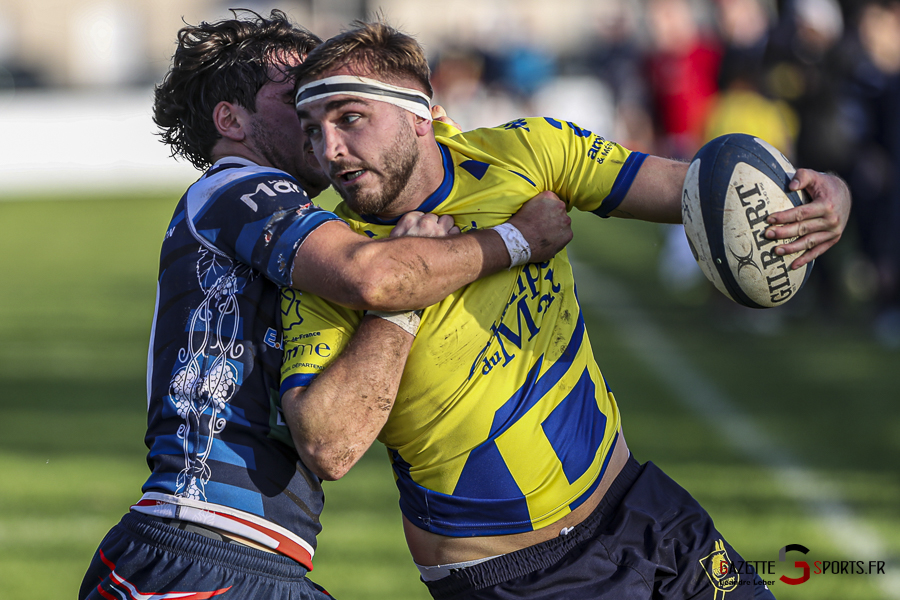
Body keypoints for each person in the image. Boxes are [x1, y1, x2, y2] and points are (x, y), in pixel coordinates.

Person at [279, 21, 852, 600]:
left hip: (642, 509)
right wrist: (403, 297)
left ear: (420, 114)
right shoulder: (335, 264)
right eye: (313, 130)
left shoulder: (525, 153)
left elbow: (703, 192)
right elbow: (330, 446)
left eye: (349, 118)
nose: (329, 150)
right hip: (519, 578)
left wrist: (820, 194)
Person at [77, 10, 573, 600]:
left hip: (255, 559)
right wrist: (518, 240)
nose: (324, 115)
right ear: (231, 119)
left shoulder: (298, 216)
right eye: (299, 100)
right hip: (199, 552)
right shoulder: (236, 186)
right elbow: (375, 276)